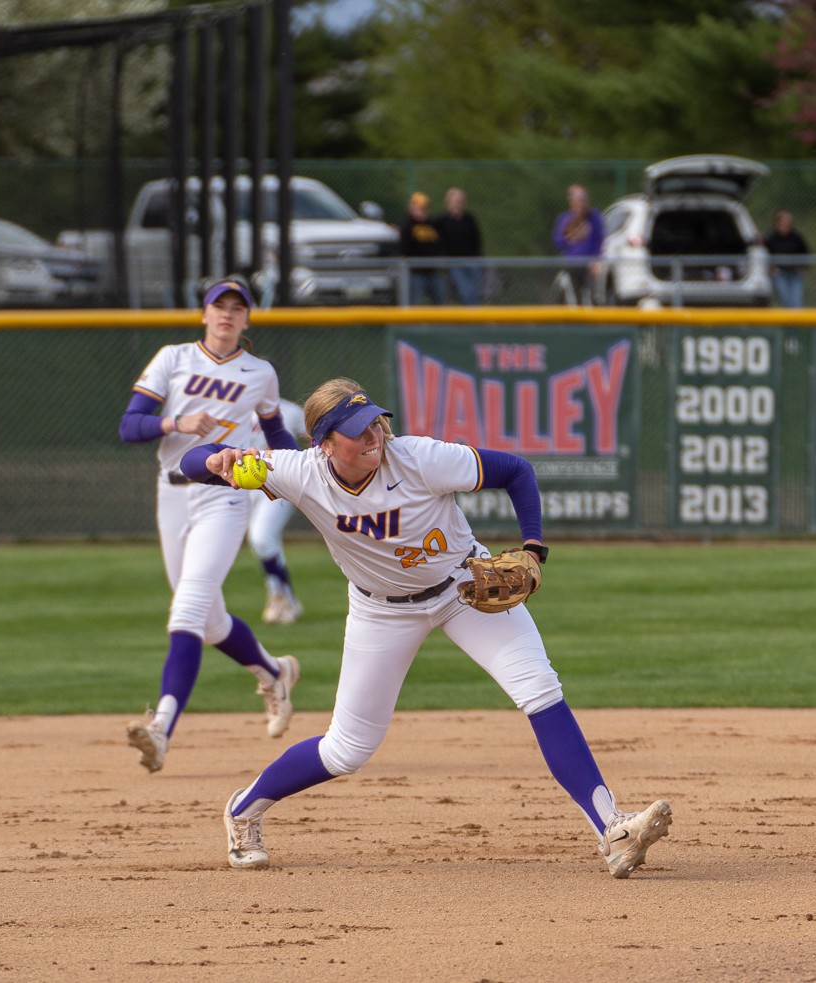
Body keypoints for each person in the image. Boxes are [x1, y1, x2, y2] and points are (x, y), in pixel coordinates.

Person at [180, 378, 673, 878]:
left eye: (374, 420)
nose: (373, 434)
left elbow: (516, 472)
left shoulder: (419, 458)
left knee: (540, 690)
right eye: (356, 430)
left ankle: (612, 829)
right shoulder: (298, 472)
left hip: (463, 588)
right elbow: (190, 462)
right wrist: (216, 459)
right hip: (381, 611)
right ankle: (243, 808)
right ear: (324, 443)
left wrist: (533, 548)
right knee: (347, 749)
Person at [118, 275, 301, 773]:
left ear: (246, 318)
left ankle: (161, 729)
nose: (227, 314)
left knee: (189, 609)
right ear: (204, 313)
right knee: (212, 621)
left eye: (237, 308)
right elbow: (129, 425)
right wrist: (175, 423)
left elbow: (278, 432)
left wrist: (305, 475)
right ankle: (274, 671)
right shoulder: (173, 358)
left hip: (224, 499)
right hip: (171, 494)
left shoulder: (259, 372)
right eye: (219, 306)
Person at [248, 396, 306, 625]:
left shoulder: (289, 410)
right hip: (244, 484)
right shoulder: (232, 408)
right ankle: (283, 597)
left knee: (261, 538)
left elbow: (314, 436)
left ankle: (281, 596)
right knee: (263, 543)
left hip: (279, 481)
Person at [552, 183, 604, 304]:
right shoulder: (564, 219)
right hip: (572, 263)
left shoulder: (593, 217)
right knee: (575, 293)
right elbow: (558, 242)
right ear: (570, 200)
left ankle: (594, 314)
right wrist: (571, 238)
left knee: (593, 294)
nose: (581, 202)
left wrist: (596, 259)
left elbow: (599, 239)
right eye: (577, 198)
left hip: (589, 263)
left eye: (583, 198)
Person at [435, 187, 484, 305]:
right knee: (465, 290)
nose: (458, 204)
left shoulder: (469, 219)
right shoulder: (442, 220)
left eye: (460, 201)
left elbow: (477, 239)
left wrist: (477, 256)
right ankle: (469, 316)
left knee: (476, 291)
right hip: (454, 262)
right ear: (448, 202)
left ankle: (475, 316)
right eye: (455, 201)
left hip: (472, 260)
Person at [398, 192, 448, 305]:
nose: (423, 211)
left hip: (432, 271)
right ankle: (411, 322)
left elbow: (439, 243)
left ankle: (441, 322)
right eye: (419, 208)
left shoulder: (432, 225)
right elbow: (404, 248)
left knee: (441, 300)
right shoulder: (407, 226)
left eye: (424, 208)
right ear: (411, 208)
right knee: (414, 301)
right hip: (415, 272)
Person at [765, 209, 810, 308]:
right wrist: (771, 267)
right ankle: (789, 322)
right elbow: (766, 255)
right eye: (784, 221)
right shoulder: (772, 239)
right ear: (777, 222)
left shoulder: (796, 238)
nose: (787, 223)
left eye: (788, 221)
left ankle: (795, 322)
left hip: (794, 273)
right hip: (780, 274)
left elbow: (805, 253)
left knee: (796, 302)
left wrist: (802, 266)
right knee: (786, 301)